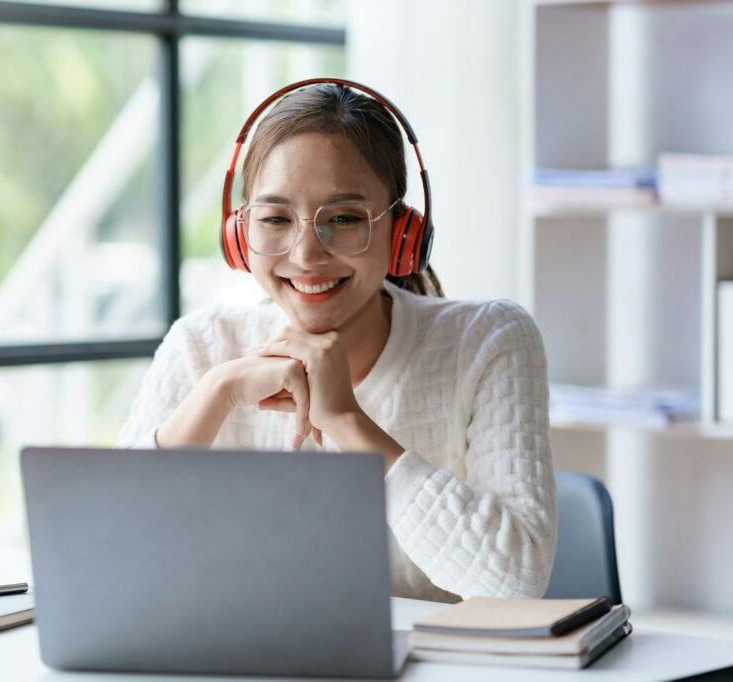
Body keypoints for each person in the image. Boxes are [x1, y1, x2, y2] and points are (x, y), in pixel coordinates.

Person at [117, 79, 556, 603]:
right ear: (240, 234)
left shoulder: (489, 340)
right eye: (275, 218)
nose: (307, 254)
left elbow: (515, 587)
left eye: (344, 218)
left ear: (403, 233)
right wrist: (216, 394)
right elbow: (108, 552)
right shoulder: (202, 346)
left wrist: (348, 422)